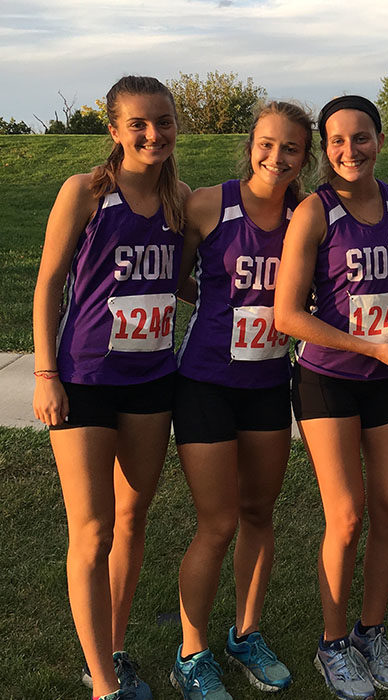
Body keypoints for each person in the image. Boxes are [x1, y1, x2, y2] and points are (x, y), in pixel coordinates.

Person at [32, 75, 189, 700]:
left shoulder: (180, 200)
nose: (154, 134)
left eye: (165, 121)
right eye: (139, 124)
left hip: (153, 379)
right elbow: (47, 285)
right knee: (91, 530)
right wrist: (46, 374)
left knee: (132, 518)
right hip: (85, 379)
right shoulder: (86, 193)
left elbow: (182, 283)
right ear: (115, 131)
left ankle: (117, 648)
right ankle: (102, 684)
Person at [273, 95, 388, 700]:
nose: (349, 151)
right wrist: (369, 347)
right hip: (328, 379)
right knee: (348, 514)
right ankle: (333, 644)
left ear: (380, 141)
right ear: (323, 148)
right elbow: (286, 315)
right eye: (336, 141)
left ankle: (370, 630)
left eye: (360, 138)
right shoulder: (313, 211)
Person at [169, 101, 314, 699]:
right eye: (266, 144)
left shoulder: (308, 216)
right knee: (218, 522)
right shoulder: (209, 203)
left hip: (267, 387)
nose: (275, 158)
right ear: (250, 144)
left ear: (304, 157)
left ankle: (245, 633)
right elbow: (172, 276)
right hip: (205, 384)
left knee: (259, 515)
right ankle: (191, 650)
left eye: (290, 149)